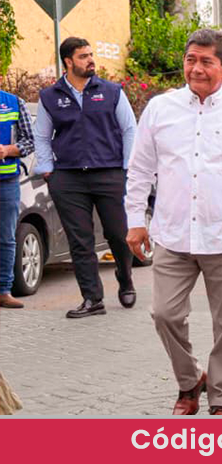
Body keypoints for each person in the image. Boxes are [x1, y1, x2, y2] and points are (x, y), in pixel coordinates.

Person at [125, 29, 222, 416]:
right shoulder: (160, 110)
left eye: (206, 61)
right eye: (191, 59)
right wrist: (134, 220)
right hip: (172, 235)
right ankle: (190, 380)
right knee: (164, 314)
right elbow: (140, 169)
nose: (196, 68)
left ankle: (221, 400)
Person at [34, 37, 138, 317]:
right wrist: (47, 169)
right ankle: (93, 298)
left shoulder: (111, 91)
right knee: (80, 241)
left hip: (109, 173)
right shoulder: (50, 97)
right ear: (68, 61)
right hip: (68, 178)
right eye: (83, 56)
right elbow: (42, 136)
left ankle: (125, 278)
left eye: (91, 55)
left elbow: (129, 129)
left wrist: (127, 168)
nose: (91, 60)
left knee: (118, 234)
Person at [0, 89, 34, 310]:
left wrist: (8, 150)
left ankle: (4, 291)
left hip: (6, 182)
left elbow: (30, 141)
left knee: (6, 238)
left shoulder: (14, 103)